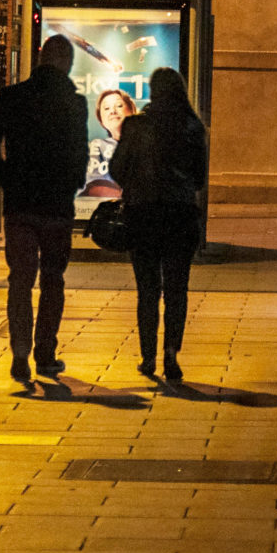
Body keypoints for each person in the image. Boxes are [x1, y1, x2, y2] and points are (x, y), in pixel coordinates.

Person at [0, 34, 89, 387]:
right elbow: (80, 152)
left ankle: (19, 353)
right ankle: (45, 352)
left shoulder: (13, 97)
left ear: (41, 58)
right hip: (57, 205)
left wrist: (6, 178)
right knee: (53, 279)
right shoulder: (74, 102)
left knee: (21, 280)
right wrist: (72, 182)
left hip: (20, 204)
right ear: (67, 64)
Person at [108, 67, 208, 384]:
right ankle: (171, 355)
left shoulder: (136, 126)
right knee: (177, 290)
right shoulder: (193, 127)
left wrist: (138, 185)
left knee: (148, 290)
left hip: (144, 216)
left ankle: (148, 356)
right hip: (180, 216)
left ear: (153, 91)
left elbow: (117, 169)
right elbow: (199, 179)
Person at [84, 88, 135, 196]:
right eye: (106, 108)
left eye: (119, 105)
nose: (112, 111)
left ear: (132, 110)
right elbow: (94, 187)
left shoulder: (150, 143)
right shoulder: (97, 146)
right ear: (101, 119)